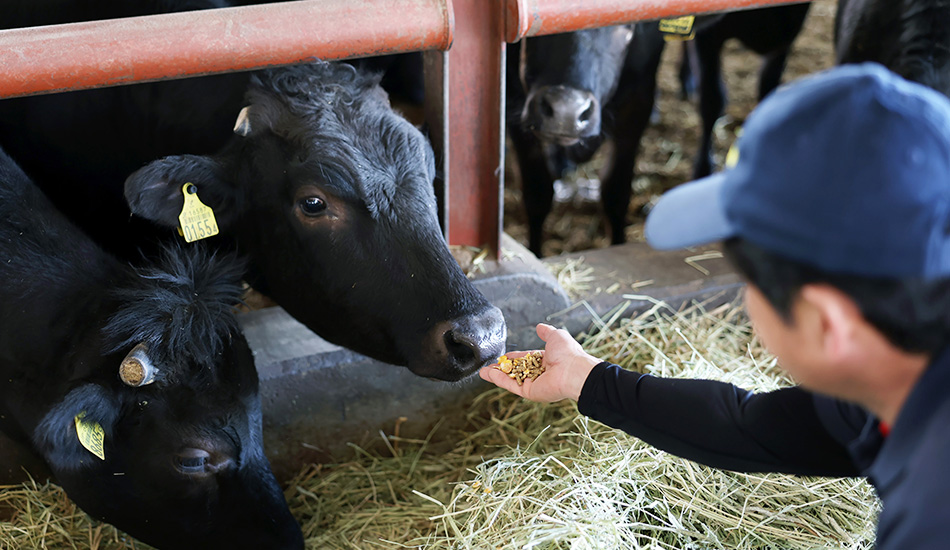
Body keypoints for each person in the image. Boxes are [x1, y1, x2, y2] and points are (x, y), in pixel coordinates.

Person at [479, 62, 950, 549]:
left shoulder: (930, 519)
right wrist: (585, 378)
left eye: (749, 283)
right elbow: (753, 427)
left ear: (826, 323)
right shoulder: (898, 380)